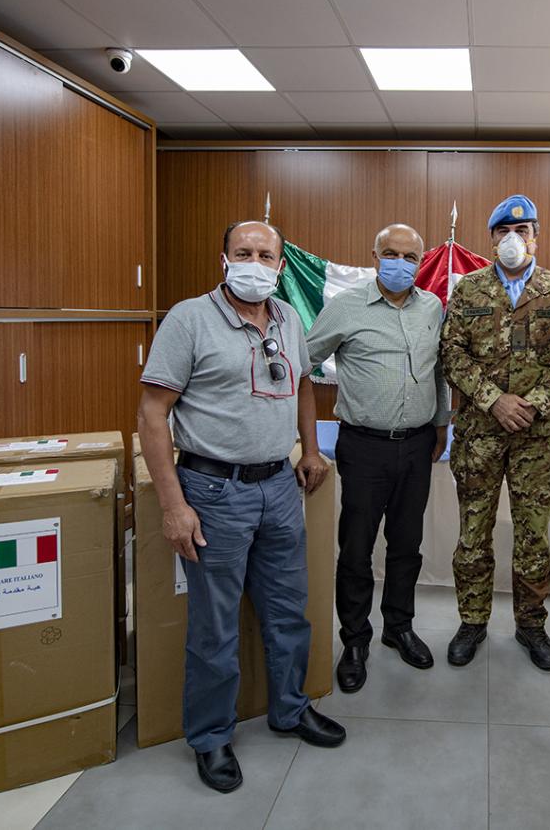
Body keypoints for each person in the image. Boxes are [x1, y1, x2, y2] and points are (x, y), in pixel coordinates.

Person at [137, 220, 346, 795]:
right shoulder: (189, 319)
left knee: (288, 611)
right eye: (243, 253)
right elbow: (152, 414)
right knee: (216, 625)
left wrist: (309, 449)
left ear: (281, 265)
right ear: (224, 259)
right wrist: (173, 505)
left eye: (265, 255)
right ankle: (210, 736)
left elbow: (302, 385)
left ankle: (290, 708)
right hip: (213, 491)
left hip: (278, 486)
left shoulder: (288, 318)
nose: (255, 263)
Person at [439, 194, 550, 670]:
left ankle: (531, 625)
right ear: (491, 239)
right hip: (479, 437)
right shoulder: (469, 290)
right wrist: (493, 400)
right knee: (473, 535)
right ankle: (472, 622)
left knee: (532, 538)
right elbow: (451, 354)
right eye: (503, 231)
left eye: (522, 231)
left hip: (537, 440)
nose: (512, 239)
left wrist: (537, 403)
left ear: (535, 237)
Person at [306, 223, 450, 693]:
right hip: (364, 446)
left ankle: (398, 627)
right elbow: (302, 362)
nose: (400, 264)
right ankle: (354, 640)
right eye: (391, 253)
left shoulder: (432, 308)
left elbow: (439, 371)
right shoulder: (346, 306)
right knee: (357, 548)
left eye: (410, 257)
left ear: (421, 262)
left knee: (407, 544)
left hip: (418, 444)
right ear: (374, 256)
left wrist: (441, 424)